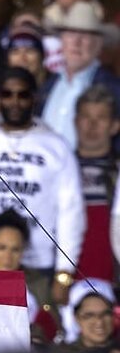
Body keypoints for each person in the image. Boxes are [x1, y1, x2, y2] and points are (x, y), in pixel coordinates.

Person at [0, 68, 83, 307]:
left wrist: (64, 272)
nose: (14, 101)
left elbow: (70, 210)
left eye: (23, 95)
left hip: (38, 263)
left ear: (35, 97)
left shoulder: (56, 146)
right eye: (7, 94)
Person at [40, 2, 120, 148]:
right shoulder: (47, 87)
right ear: (62, 41)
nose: (76, 42)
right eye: (71, 34)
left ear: (98, 44)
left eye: (85, 35)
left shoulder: (114, 90)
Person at [73, 86, 119, 280]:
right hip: (60, 282)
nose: (92, 125)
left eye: (100, 118)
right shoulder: (56, 168)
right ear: (75, 122)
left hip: (112, 281)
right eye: (86, 117)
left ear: (115, 125)